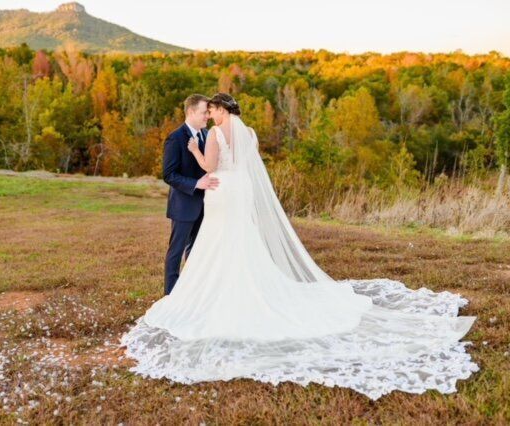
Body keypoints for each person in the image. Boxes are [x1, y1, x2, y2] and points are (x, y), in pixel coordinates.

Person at [121, 93, 478, 400]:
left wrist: (196, 152)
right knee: (234, 244)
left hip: (218, 191)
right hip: (235, 192)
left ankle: (209, 296)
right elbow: (243, 166)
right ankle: (221, 289)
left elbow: (211, 166)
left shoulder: (213, 133)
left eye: (213, 109)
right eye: (207, 110)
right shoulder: (248, 133)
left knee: (218, 244)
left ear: (222, 111)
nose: (210, 114)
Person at [161, 94, 219, 295]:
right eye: (204, 113)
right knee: (176, 252)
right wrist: (196, 183)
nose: (207, 117)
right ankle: (171, 295)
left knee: (196, 252)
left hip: (205, 205)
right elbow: (168, 174)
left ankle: (191, 294)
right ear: (191, 112)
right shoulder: (175, 138)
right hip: (184, 206)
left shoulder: (207, 135)